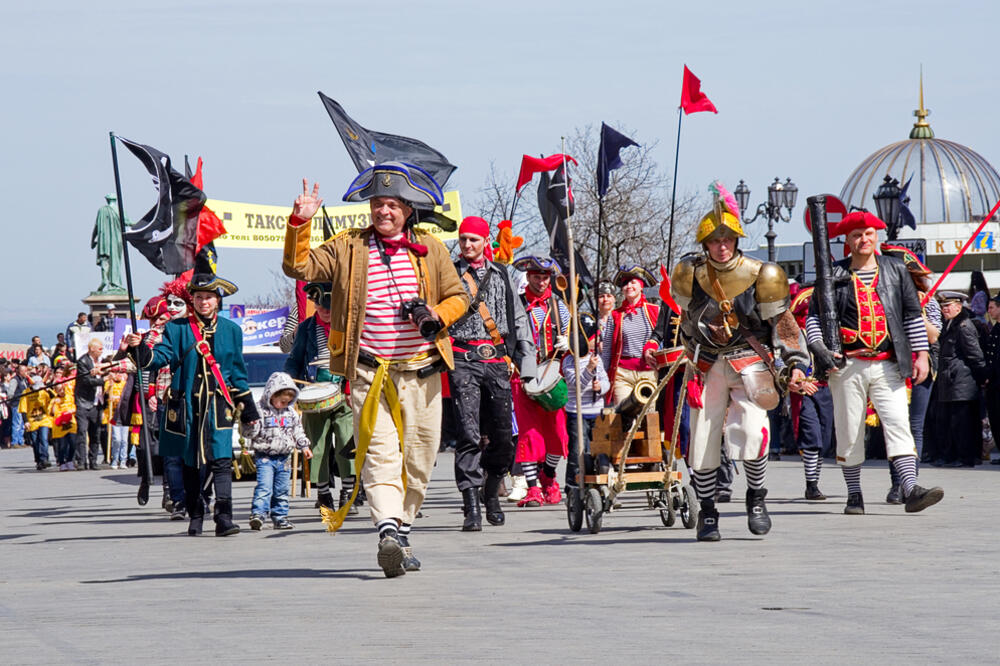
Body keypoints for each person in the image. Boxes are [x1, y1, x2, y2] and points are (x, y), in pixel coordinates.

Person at [280, 165, 468, 577]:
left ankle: (402, 531)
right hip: (368, 371)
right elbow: (299, 268)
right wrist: (300, 223)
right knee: (380, 455)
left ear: (407, 209)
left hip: (423, 371)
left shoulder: (431, 248)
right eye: (378, 204)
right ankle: (386, 529)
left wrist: (438, 313)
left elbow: (459, 295)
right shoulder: (347, 246)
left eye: (392, 205)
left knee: (419, 461)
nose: (384, 211)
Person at [671, 194, 810, 541]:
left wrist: (794, 363)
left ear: (736, 241)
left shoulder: (765, 274)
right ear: (706, 244)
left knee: (752, 430)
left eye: (727, 240)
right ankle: (707, 513)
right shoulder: (689, 274)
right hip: (705, 364)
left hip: (750, 362)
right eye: (715, 241)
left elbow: (784, 325)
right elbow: (684, 323)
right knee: (702, 439)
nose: (721, 247)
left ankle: (757, 499)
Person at [806, 211, 943, 515]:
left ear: (876, 236)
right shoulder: (832, 275)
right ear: (847, 241)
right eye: (857, 235)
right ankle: (854, 494)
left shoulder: (895, 270)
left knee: (898, 423)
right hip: (847, 365)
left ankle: (910, 488)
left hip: (887, 363)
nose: (863, 240)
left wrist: (920, 354)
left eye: (868, 233)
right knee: (849, 430)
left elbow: (910, 315)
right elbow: (814, 317)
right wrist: (819, 347)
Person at [125, 255, 259, 537]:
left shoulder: (231, 331)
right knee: (191, 463)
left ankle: (224, 518)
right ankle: (196, 514)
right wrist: (140, 350)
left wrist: (248, 408)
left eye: (209, 297)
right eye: (198, 297)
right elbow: (162, 357)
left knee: (222, 460)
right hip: (186, 407)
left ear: (217, 301)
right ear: (192, 299)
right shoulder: (177, 328)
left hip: (218, 406)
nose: (203, 302)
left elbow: (237, 371)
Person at [447, 216, 536, 531]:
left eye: (474, 239)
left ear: (486, 242)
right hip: (462, 358)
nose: (468, 245)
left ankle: (491, 492)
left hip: (497, 360)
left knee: (502, 437)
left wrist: (527, 363)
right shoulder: (450, 273)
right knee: (469, 434)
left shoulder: (502, 274)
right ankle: (471, 505)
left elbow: (520, 317)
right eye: (463, 240)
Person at [283, 282, 357, 515]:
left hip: (344, 392)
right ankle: (323, 492)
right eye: (320, 305)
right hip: (314, 391)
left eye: (329, 306)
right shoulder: (306, 328)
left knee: (346, 441)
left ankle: (349, 490)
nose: (324, 310)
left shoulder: (348, 326)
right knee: (317, 445)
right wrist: (289, 384)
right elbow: (294, 359)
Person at [510, 255, 571, 508]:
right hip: (522, 375)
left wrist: (568, 343)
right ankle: (533, 488)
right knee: (529, 433)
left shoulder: (559, 305)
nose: (542, 281)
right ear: (529, 277)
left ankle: (549, 476)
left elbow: (574, 335)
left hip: (551, 375)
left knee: (558, 434)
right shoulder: (516, 305)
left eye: (546, 277)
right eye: (537, 276)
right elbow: (504, 335)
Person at [243, 372, 313, 530]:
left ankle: (280, 516)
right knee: (264, 487)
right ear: (271, 394)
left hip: (285, 457)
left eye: (287, 402)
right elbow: (248, 432)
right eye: (281, 401)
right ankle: (258, 514)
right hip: (265, 456)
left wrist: (304, 446)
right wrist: (250, 425)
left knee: (282, 489)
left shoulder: (291, 413)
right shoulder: (259, 410)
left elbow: (298, 431)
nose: (284, 405)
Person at [787, 283, 834, 500]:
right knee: (811, 436)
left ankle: (815, 480)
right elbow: (782, 360)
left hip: (827, 387)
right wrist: (796, 382)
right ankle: (811, 484)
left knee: (823, 437)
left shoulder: (830, 330)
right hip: (803, 389)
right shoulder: (791, 333)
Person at [930, 291, 986, 467]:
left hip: (962, 381)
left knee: (962, 424)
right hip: (949, 380)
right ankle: (950, 455)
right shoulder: (950, 324)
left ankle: (965, 457)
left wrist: (982, 377)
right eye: (942, 306)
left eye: (947, 306)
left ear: (958, 307)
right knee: (948, 422)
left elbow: (975, 355)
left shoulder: (963, 326)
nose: (944, 309)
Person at [561, 314, 610, 512]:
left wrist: (600, 388)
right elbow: (577, 384)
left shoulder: (595, 358)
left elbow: (606, 381)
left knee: (599, 451)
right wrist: (589, 370)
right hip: (577, 413)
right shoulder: (568, 362)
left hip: (597, 412)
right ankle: (572, 488)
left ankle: (599, 486)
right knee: (577, 453)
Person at [602, 265, 659, 408]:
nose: (629, 286)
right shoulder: (615, 315)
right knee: (625, 417)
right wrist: (602, 376)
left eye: (633, 282)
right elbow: (608, 349)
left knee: (649, 419)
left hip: (649, 373)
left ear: (641, 286)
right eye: (625, 283)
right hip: (623, 375)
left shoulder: (655, 311)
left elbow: (662, 338)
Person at [74, 338, 107, 469]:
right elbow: (86, 380)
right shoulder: (83, 361)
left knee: (95, 433)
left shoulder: (101, 362)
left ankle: (93, 461)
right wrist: (104, 380)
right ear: (92, 349)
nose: (102, 351)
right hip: (84, 402)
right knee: (82, 432)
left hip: (97, 402)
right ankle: (81, 461)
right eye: (100, 348)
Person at [19, 375, 53, 469]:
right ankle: (38, 460)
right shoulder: (25, 393)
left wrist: (49, 390)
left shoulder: (45, 391)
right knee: (35, 442)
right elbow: (23, 409)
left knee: (43, 439)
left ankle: (44, 458)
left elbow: (54, 399)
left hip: (44, 419)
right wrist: (25, 421)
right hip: (32, 420)